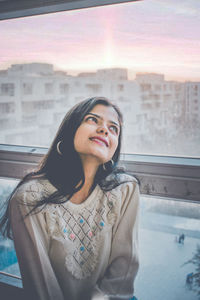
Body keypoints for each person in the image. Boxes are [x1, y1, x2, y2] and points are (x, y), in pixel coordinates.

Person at [0, 97, 140, 300]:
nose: (104, 130)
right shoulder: (30, 198)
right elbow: (42, 291)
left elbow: (122, 278)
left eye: (113, 128)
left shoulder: (125, 190)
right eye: (93, 120)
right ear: (70, 129)